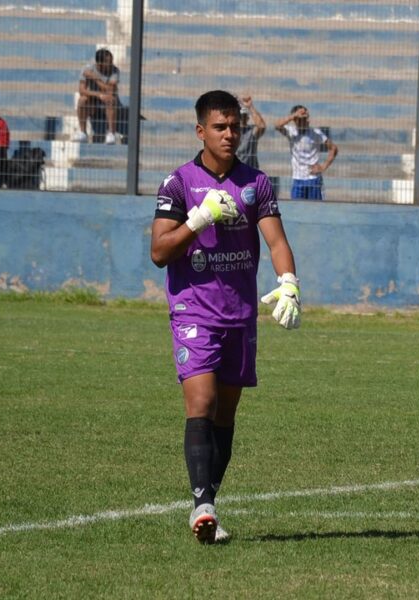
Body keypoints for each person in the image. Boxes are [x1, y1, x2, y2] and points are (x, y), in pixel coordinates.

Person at [150, 90, 300, 544]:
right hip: (193, 309)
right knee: (202, 404)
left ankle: (208, 503)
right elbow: (159, 251)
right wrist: (199, 219)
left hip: (240, 314)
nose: (230, 134)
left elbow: (275, 241)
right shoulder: (178, 183)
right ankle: (202, 506)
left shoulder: (257, 183)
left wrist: (289, 281)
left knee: (226, 416)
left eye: (235, 126)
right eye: (220, 127)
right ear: (201, 131)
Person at [274, 104, 338, 201]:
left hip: (314, 179)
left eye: (307, 117)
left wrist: (323, 167)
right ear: (296, 119)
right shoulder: (291, 131)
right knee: (296, 210)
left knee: (316, 210)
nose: (307, 120)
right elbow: (277, 125)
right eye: (303, 118)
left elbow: (333, 148)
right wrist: (293, 116)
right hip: (298, 179)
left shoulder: (316, 133)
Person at [73, 48, 121, 144]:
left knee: (111, 99)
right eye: (109, 62)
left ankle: (111, 133)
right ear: (99, 63)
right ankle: (83, 132)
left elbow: (110, 90)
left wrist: (95, 78)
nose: (112, 63)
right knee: (82, 100)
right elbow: (82, 90)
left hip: (107, 103)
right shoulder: (87, 69)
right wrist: (99, 95)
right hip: (93, 102)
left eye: (112, 61)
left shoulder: (115, 70)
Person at [235, 95, 266, 169]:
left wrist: (250, 107)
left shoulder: (251, 131)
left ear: (248, 118)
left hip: (251, 169)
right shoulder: (232, 131)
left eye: (244, 116)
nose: (242, 119)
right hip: (236, 170)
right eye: (240, 116)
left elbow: (261, 126)